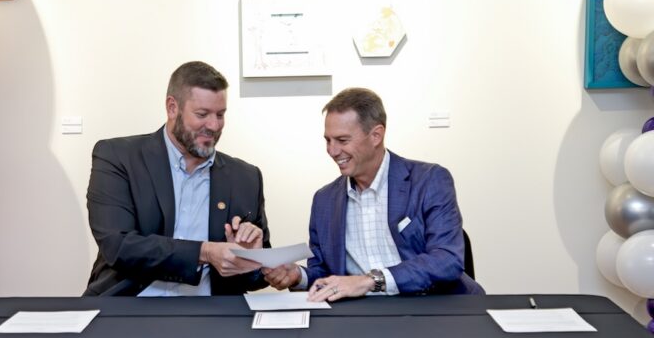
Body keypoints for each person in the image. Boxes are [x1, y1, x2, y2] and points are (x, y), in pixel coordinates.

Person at [263, 87, 483, 301]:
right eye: (328, 140)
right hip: (363, 315)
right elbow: (325, 274)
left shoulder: (429, 180)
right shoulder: (324, 200)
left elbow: (447, 260)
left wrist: (370, 281)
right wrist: (298, 276)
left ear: (376, 135)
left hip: (435, 307)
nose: (332, 151)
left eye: (342, 140)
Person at [84, 61, 269, 296]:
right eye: (202, 114)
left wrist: (251, 257)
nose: (214, 125)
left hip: (210, 312)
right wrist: (205, 252)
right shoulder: (118, 158)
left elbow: (256, 279)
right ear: (172, 108)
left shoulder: (246, 177)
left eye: (220, 115)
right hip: (130, 305)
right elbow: (118, 246)